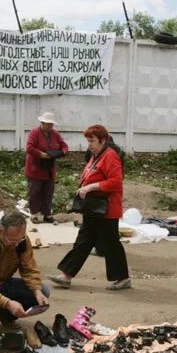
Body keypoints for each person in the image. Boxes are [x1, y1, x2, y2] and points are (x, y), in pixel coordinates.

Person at [48, 125, 131, 291]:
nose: (89, 144)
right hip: (94, 208)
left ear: (103, 140)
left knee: (111, 243)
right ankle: (66, 275)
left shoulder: (110, 156)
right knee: (84, 241)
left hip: (106, 209)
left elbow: (116, 182)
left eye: (92, 141)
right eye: (88, 141)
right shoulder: (97, 155)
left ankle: (122, 278)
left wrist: (91, 187)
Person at [25, 112, 69, 223]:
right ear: (42, 122)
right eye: (47, 124)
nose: (49, 126)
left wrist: (62, 152)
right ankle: (34, 214)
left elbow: (64, 146)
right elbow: (29, 147)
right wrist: (42, 154)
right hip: (36, 167)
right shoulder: (34, 133)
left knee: (48, 191)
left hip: (49, 168)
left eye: (51, 124)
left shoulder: (55, 134)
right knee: (35, 191)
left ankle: (47, 214)